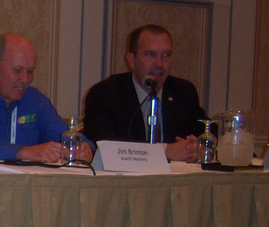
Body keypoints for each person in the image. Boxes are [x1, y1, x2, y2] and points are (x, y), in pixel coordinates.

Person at [0, 33, 93, 162]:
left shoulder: (35, 100)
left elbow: (66, 136)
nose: (26, 79)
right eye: (18, 70)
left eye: (30, 71)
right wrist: (23, 152)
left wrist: (84, 150)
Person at [82, 24, 207, 162]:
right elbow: (106, 149)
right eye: (150, 55)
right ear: (131, 60)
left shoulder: (184, 92)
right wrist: (166, 151)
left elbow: (207, 133)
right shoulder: (105, 94)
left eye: (166, 55)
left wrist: (197, 148)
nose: (159, 63)